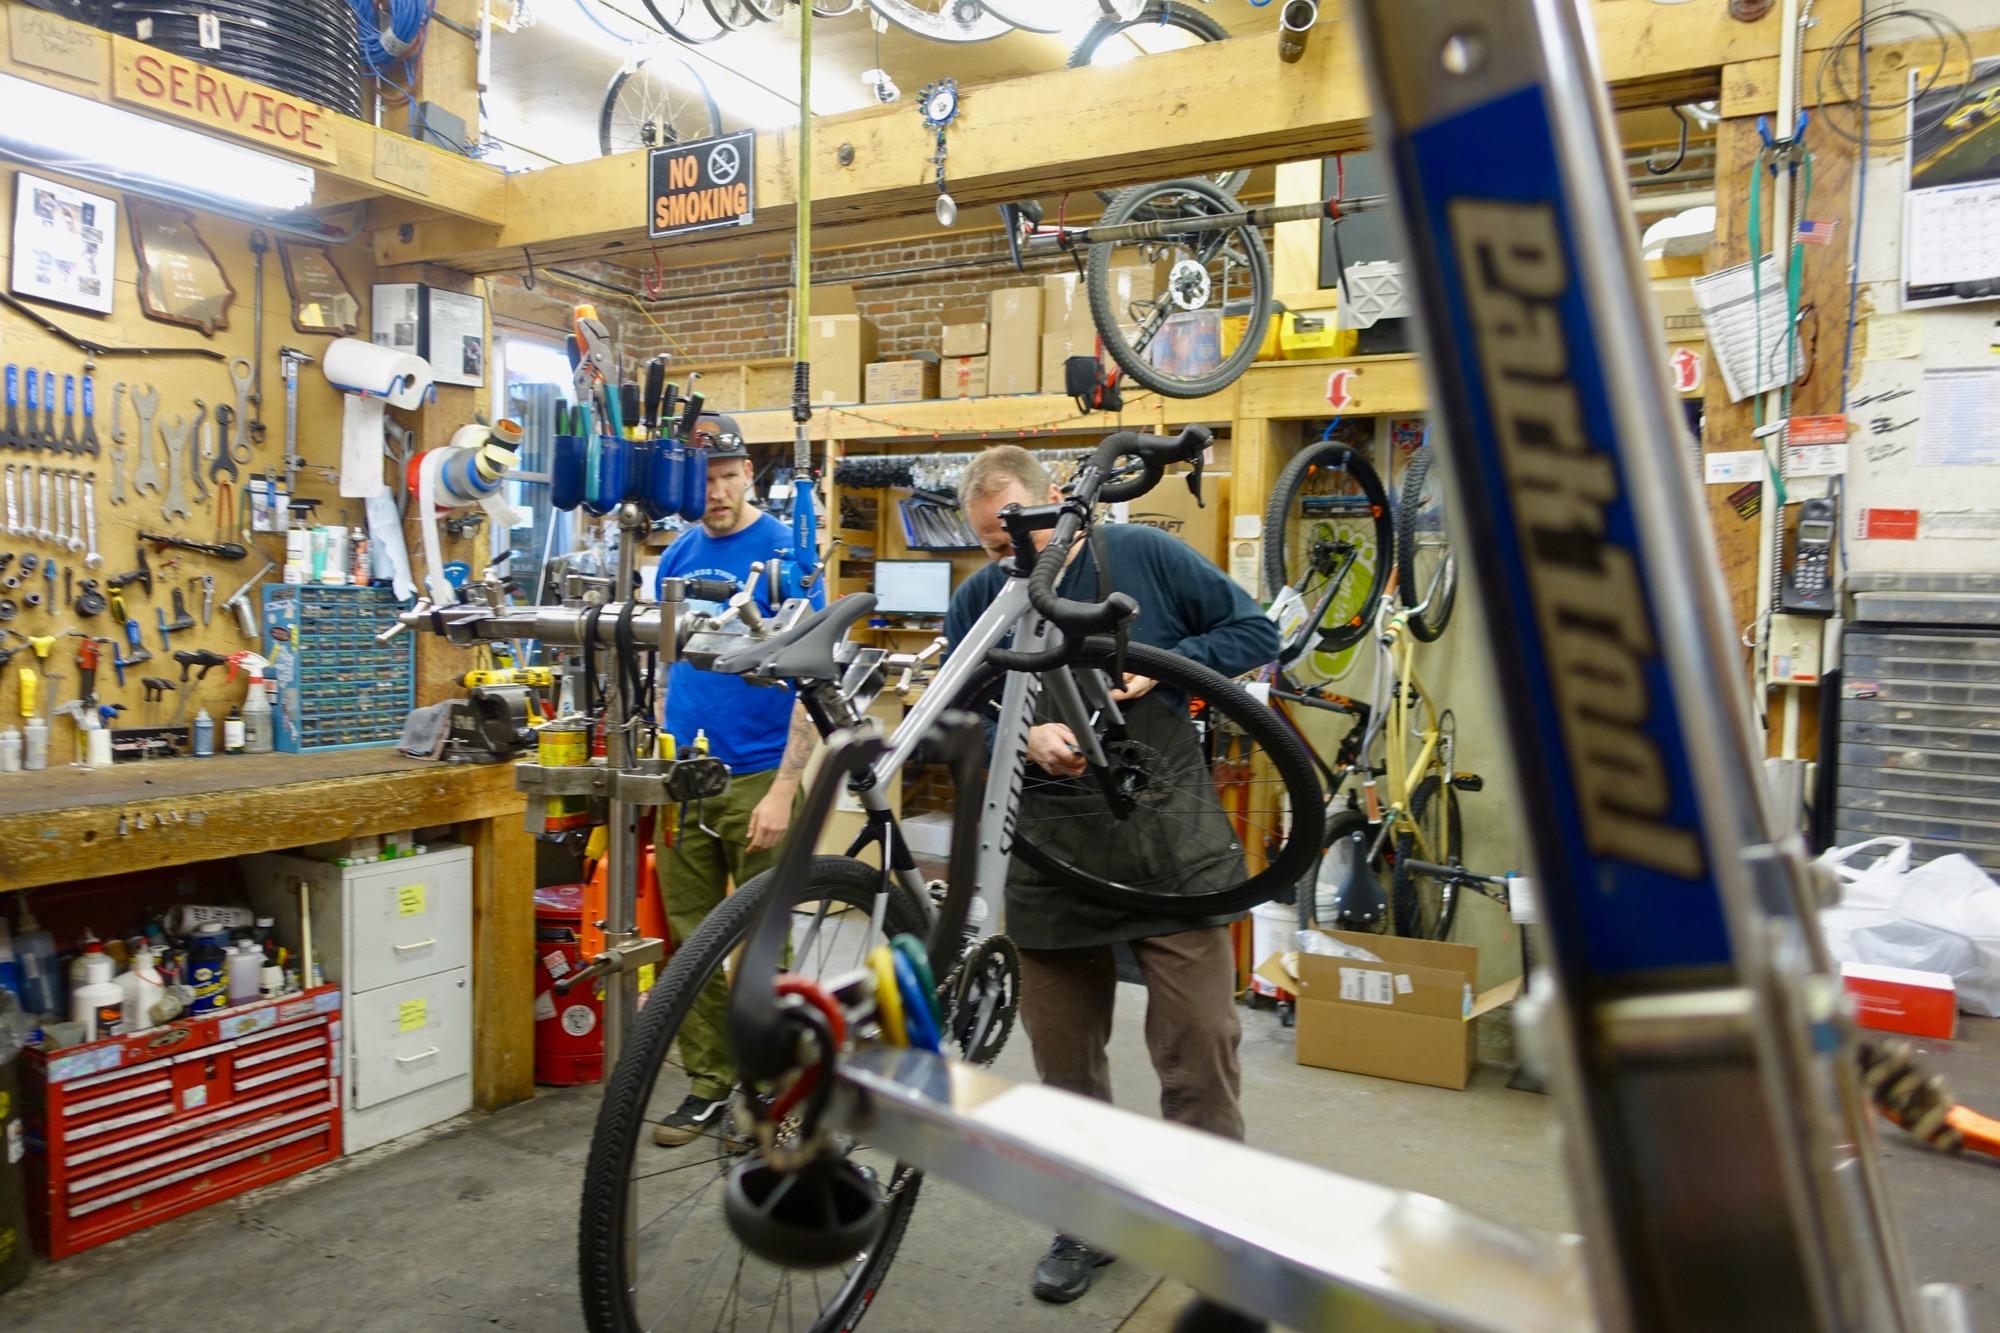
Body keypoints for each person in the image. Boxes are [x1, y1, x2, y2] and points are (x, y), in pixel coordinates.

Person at [944, 444, 1280, 1304]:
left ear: (1057, 500)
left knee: (1200, 1045)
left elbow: (1255, 629)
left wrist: (1169, 662)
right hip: (1052, 854)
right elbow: (955, 704)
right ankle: (1084, 1219)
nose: (1015, 559)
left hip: (1168, 837)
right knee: (1064, 1062)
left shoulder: (1142, 557)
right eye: (991, 546)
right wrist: (1018, 736)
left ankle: (1214, 1222)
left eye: (1022, 533)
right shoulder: (982, 598)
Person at [650, 412, 824, 1147]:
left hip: (759, 776)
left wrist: (786, 789)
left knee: (762, 944)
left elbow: (815, 682)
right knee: (690, 943)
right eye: (706, 478)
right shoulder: (676, 557)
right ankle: (708, 1081)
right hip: (684, 772)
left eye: (728, 476)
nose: (717, 491)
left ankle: (767, 1088)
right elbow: (660, 668)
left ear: (748, 474)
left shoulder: (787, 551)